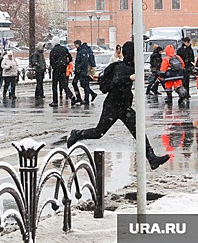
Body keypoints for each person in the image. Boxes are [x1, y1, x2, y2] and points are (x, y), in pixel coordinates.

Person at [67, 41, 170, 171]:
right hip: (113, 105)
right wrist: (130, 78)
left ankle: (151, 158)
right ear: (131, 54)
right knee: (99, 132)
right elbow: (116, 81)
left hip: (124, 106)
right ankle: (77, 134)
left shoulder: (131, 66)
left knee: (138, 131)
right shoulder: (122, 67)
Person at [49, 37, 74, 107]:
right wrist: (65, 63)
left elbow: (52, 61)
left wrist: (54, 66)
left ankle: (55, 101)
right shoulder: (64, 49)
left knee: (54, 85)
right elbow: (70, 58)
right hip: (63, 69)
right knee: (64, 84)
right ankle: (71, 95)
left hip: (56, 69)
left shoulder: (53, 50)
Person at [72, 40, 97, 105]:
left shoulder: (83, 51)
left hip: (82, 71)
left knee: (84, 84)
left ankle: (86, 99)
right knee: (77, 83)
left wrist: (79, 68)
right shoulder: (80, 50)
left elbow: (84, 62)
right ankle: (90, 94)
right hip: (79, 70)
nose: (75, 46)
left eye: (75, 44)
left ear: (78, 44)